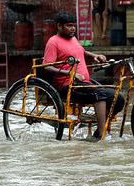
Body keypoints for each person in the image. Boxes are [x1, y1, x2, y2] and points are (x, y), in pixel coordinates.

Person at [43, 12, 124, 140]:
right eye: (69, 26)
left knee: (118, 98)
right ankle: (101, 137)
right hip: (67, 87)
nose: (73, 28)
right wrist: (70, 73)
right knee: (99, 93)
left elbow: (82, 51)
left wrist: (94, 56)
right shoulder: (53, 42)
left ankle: (98, 130)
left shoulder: (73, 39)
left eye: (73, 26)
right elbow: (47, 66)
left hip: (84, 84)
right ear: (59, 26)